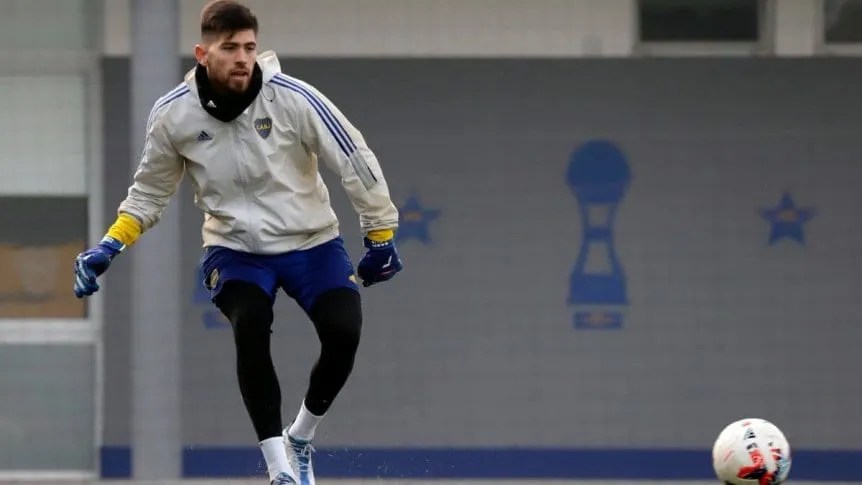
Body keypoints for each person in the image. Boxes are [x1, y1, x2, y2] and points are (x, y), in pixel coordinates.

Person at [72, 1, 403, 484]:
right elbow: (149, 193)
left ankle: (300, 438)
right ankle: (278, 469)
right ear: (203, 54)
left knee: (344, 330)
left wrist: (380, 234)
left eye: (249, 47)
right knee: (250, 323)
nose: (243, 58)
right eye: (230, 48)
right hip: (235, 251)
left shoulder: (294, 98)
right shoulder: (173, 115)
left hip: (312, 242)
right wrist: (109, 245)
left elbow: (354, 157)